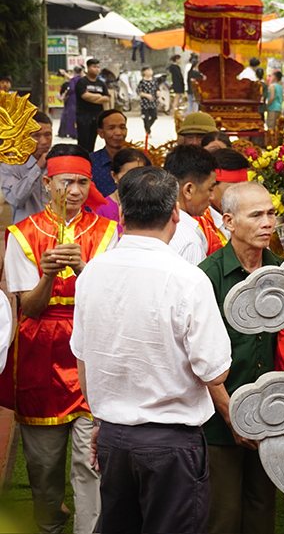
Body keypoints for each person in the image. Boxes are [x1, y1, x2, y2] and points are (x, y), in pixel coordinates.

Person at [71, 166, 231, 533]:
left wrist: (104, 417)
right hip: (169, 441)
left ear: (123, 214)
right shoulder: (187, 278)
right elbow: (216, 371)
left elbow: (82, 359)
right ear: (175, 212)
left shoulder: (93, 272)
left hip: (114, 433)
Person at [1, 143, 117, 534]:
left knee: (91, 462)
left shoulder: (107, 233)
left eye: (83, 182)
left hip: (90, 351)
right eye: (66, 181)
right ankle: (49, 524)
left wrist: (84, 270)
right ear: (47, 182)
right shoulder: (22, 234)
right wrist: (49, 275)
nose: (76, 190)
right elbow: (28, 309)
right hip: (41, 351)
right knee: (44, 465)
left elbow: (110, 302)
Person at [196, 182, 279, 534]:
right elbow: (196, 356)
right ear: (228, 221)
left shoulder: (281, 270)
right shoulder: (208, 276)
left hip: (273, 415)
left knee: (262, 510)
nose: (268, 223)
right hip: (220, 419)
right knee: (223, 516)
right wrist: (231, 414)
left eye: (271, 213)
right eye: (256, 214)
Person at [164, 145, 218, 264]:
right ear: (188, 190)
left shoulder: (151, 223)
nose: (212, 197)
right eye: (210, 189)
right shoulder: (189, 242)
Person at [1, 112, 53, 223]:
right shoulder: (10, 166)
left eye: (48, 134)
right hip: (26, 234)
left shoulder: (59, 163)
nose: (44, 141)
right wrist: (38, 167)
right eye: (36, 136)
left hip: (55, 232)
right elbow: (16, 200)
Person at [201, 148, 250, 251]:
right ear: (212, 186)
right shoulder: (198, 226)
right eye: (234, 190)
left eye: (245, 189)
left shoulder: (249, 217)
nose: (242, 196)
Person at [93, 148, 151, 233]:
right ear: (114, 176)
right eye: (129, 174)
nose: (136, 179)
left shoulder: (153, 205)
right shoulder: (101, 209)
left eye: (141, 174)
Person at [89, 109, 129, 197]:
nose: (118, 133)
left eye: (122, 127)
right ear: (101, 133)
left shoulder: (138, 161)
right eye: (111, 128)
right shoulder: (90, 163)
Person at [74, 58, 110, 152]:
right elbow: (84, 96)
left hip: (97, 116)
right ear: (88, 68)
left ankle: (90, 158)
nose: (97, 69)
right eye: (94, 67)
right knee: (83, 141)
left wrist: (92, 97)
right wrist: (99, 96)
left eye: (98, 67)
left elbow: (106, 98)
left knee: (92, 141)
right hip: (83, 116)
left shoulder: (101, 83)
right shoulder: (82, 82)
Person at [58, 66, 82, 139]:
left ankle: (71, 132)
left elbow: (71, 88)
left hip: (72, 98)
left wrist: (67, 94)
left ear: (74, 72)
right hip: (80, 98)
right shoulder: (83, 79)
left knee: (70, 115)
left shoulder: (73, 79)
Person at [136, 66, 158, 137]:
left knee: (154, 116)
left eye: (151, 70)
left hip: (153, 102)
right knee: (145, 118)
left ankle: (148, 127)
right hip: (145, 103)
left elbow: (157, 89)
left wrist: (159, 94)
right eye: (148, 70)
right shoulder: (142, 82)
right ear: (144, 72)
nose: (150, 72)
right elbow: (139, 91)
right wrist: (146, 95)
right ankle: (148, 131)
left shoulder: (154, 80)